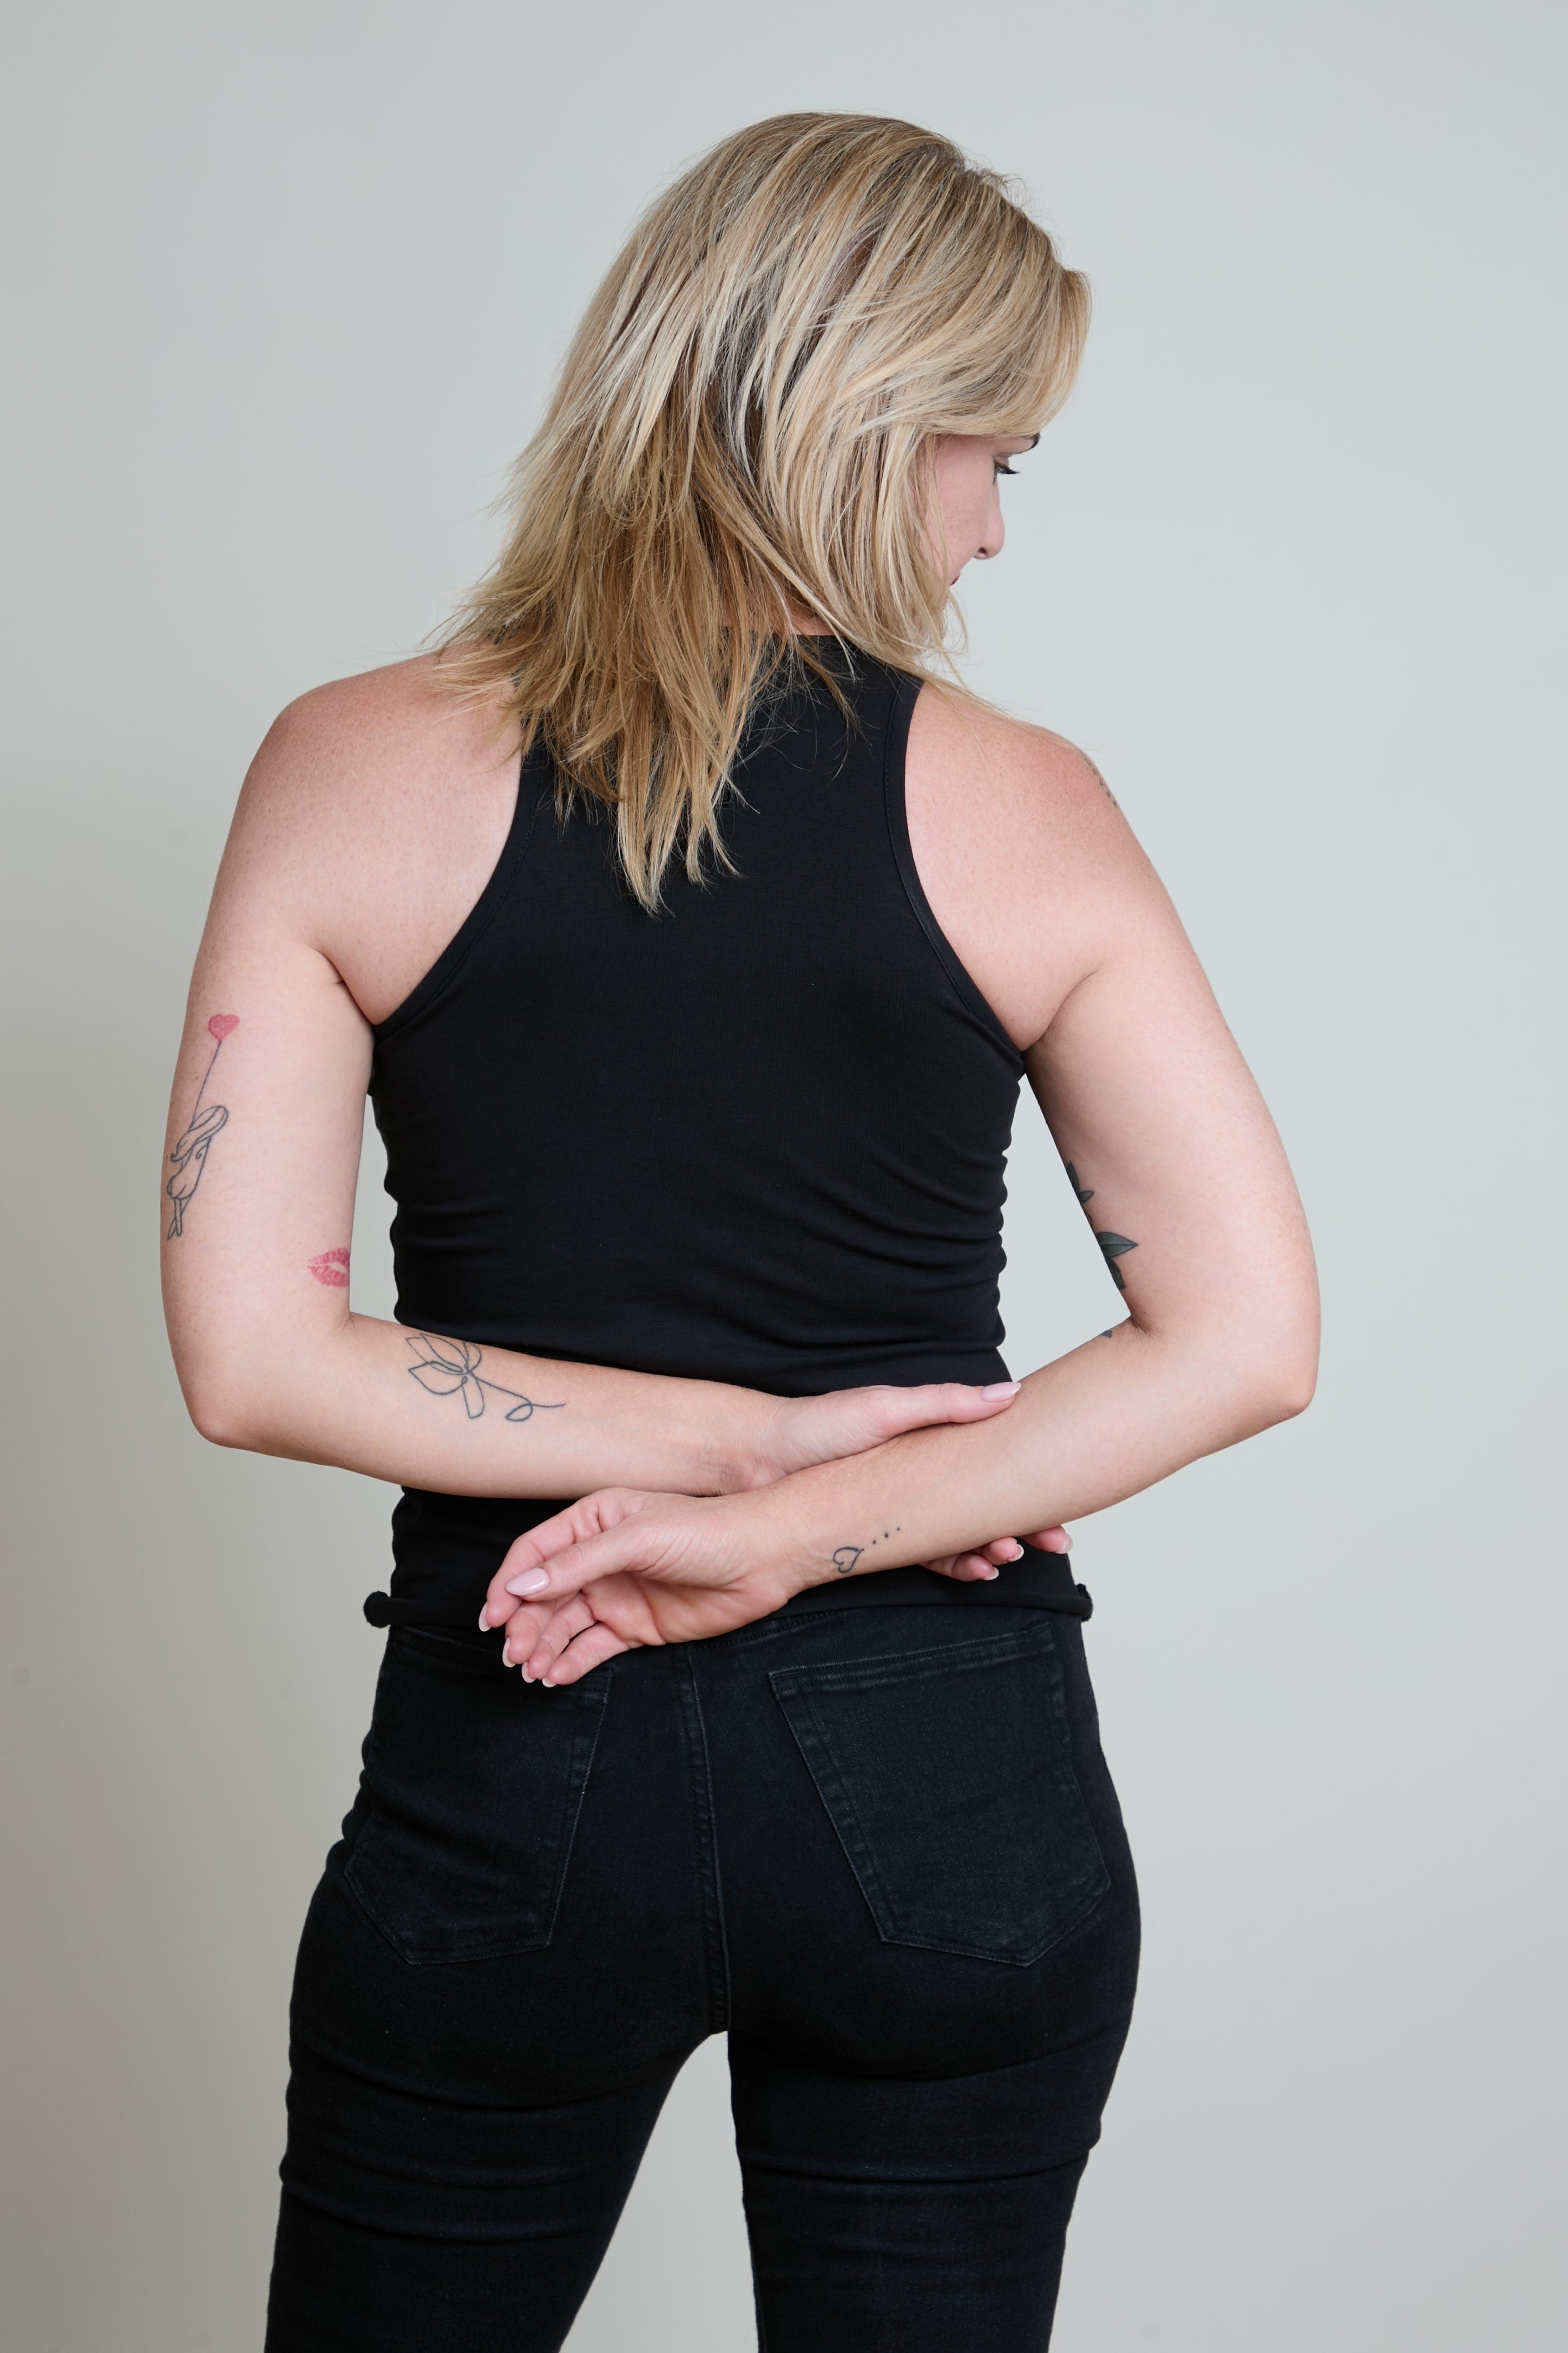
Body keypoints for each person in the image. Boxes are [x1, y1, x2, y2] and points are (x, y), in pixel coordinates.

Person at [162, 112, 1318, 2352]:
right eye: (989, 453)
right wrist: (795, 1493)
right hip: (943, 1781)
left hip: (520, 1727)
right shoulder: (1019, 802)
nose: (987, 530)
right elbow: (1242, 1337)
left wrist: (709, 1466)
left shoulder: (347, 765)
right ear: (852, 429)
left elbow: (263, 1355)